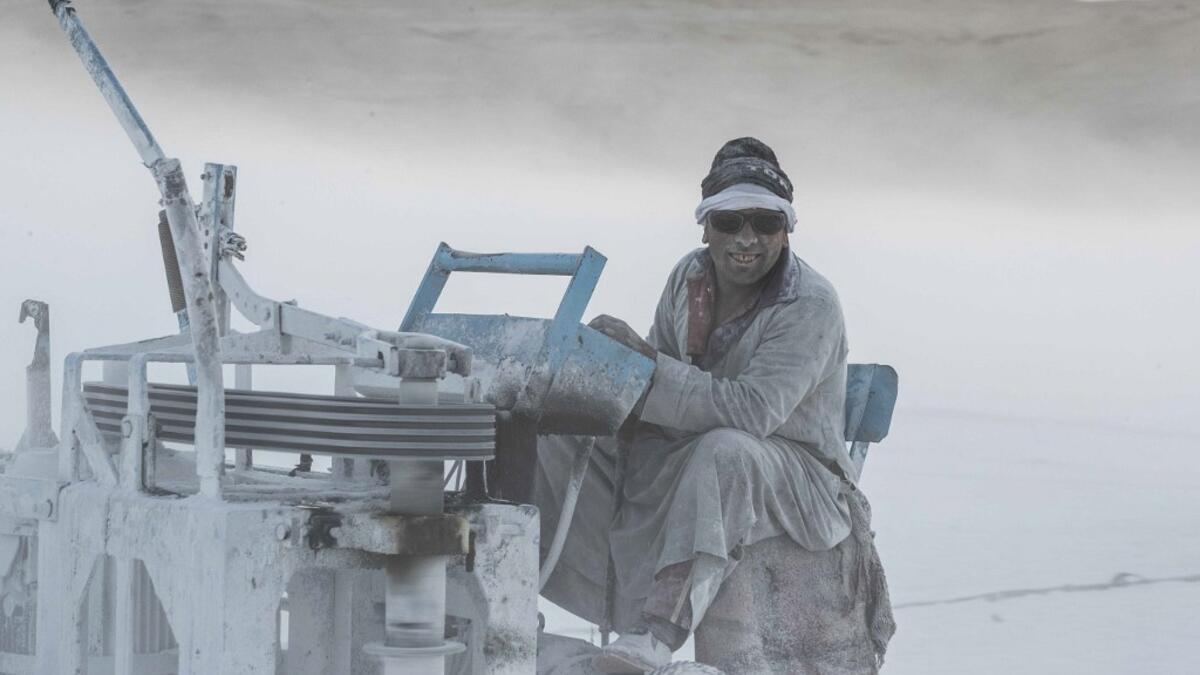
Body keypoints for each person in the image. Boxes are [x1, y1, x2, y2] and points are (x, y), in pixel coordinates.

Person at [535, 137, 894, 673]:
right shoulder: (688, 276)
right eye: (729, 223)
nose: (746, 239)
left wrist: (649, 368)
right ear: (705, 228)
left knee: (727, 451)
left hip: (798, 478)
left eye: (764, 224)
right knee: (550, 433)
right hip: (693, 450)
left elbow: (753, 413)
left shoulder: (811, 303)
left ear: (787, 229)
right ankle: (512, 594)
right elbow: (661, 373)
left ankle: (657, 633)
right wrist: (614, 363)